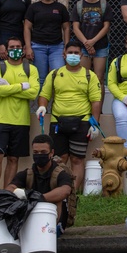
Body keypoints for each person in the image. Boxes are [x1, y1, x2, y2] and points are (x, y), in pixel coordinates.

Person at [37, 41, 103, 192]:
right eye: (70, 52)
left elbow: (96, 102)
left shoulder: (89, 76)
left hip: (82, 122)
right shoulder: (54, 74)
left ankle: (71, 194)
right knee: (58, 160)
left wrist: (95, 124)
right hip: (57, 122)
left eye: (76, 53)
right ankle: (58, 190)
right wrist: (42, 106)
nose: (73, 55)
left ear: (81, 55)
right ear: (64, 54)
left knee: (77, 159)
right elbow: (44, 95)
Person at [0, 36, 40, 186]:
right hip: (0, 120)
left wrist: (7, 87)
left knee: (13, 159)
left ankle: (6, 194)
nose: (15, 50)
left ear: (23, 50)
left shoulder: (31, 69)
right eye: (12, 47)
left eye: (18, 47)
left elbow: (33, 93)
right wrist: (21, 86)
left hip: (21, 121)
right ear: (6, 49)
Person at [6, 135, 74, 225]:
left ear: (51, 153)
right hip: (32, 221)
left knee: (58, 199)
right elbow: (9, 189)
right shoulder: (27, 174)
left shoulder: (61, 174)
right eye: (36, 152)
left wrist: (40, 198)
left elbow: (65, 190)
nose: (39, 155)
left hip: (54, 223)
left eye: (43, 152)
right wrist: (21, 194)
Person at [24, 0, 70, 88]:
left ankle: (57, 104)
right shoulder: (33, 7)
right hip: (38, 47)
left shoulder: (61, 8)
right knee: (41, 78)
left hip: (57, 47)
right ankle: (42, 105)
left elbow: (66, 28)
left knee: (59, 76)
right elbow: (27, 27)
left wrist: (66, 47)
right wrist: (28, 47)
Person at [71, 0, 112, 85]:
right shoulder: (78, 5)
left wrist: (93, 41)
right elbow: (75, 27)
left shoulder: (104, 5)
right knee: (84, 77)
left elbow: (106, 26)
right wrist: (87, 43)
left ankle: (98, 102)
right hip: (83, 47)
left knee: (99, 78)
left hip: (101, 46)